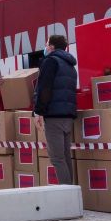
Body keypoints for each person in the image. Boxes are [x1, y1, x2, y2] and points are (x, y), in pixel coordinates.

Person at [32, 34, 78, 185]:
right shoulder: (70, 65)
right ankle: (71, 193)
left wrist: (38, 111)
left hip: (54, 116)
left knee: (57, 158)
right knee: (65, 157)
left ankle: (67, 197)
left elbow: (45, 89)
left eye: (46, 44)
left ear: (51, 46)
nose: (45, 47)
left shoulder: (50, 61)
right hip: (67, 116)